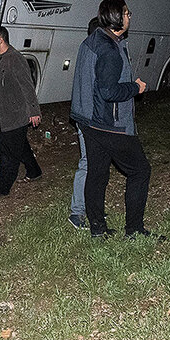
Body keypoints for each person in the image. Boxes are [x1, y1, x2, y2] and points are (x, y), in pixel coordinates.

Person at [70, 0, 156, 239]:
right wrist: (135, 88)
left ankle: (98, 229)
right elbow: (108, 92)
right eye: (127, 13)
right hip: (110, 125)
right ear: (117, 18)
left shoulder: (94, 40)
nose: (130, 17)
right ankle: (134, 230)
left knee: (97, 174)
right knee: (140, 171)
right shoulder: (109, 50)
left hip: (89, 121)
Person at [0, 26, 42, 197]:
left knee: (7, 151)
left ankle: (1, 189)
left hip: (16, 114)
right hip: (7, 114)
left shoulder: (15, 59)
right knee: (20, 145)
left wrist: (33, 110)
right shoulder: (2, 58)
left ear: (0, 40)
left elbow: (27, 86)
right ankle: (34, 171)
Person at [68, 17, 101, 230]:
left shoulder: (87, 50)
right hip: (89, 119)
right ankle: (77, 212)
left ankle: (89, 207)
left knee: (94, 164)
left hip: (87, 117)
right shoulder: (93, 52)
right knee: (88, 163)